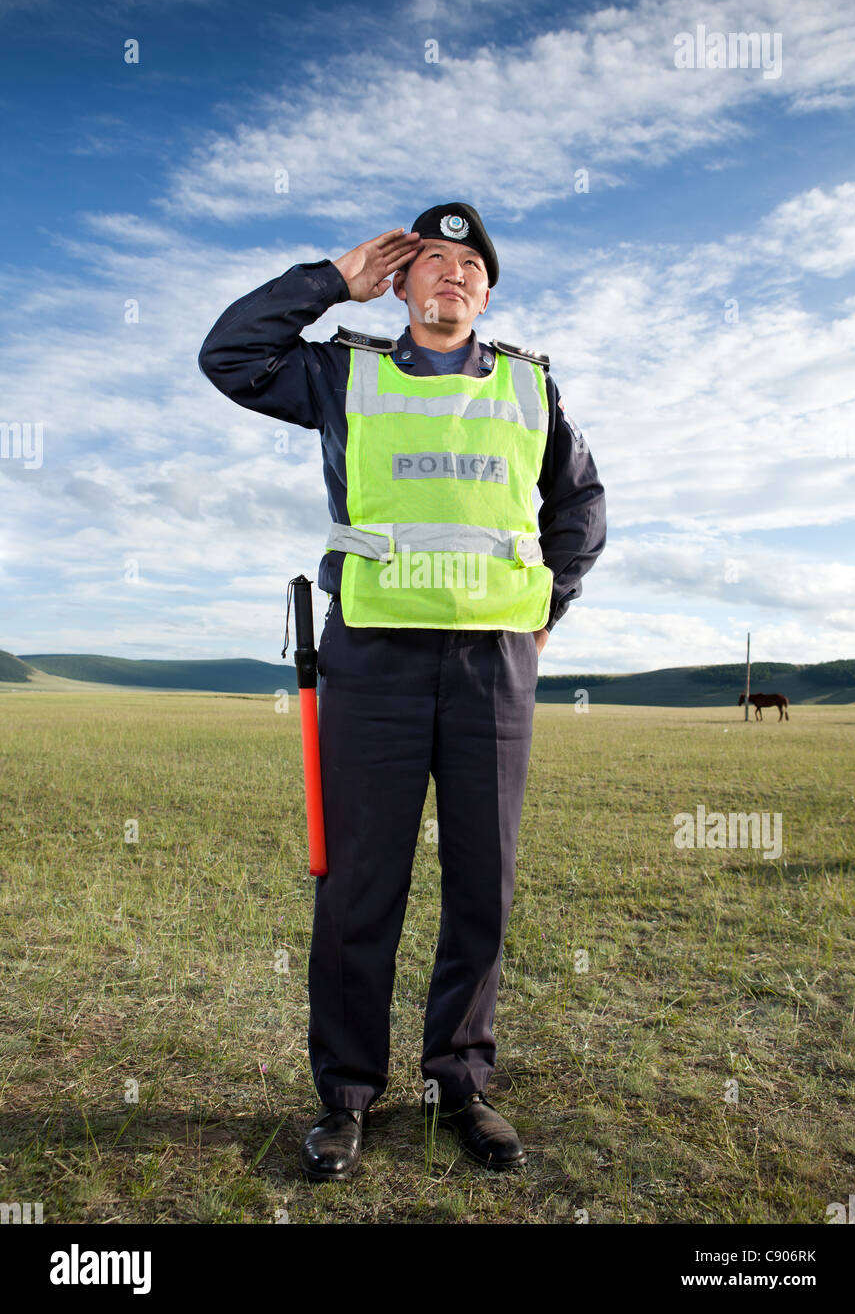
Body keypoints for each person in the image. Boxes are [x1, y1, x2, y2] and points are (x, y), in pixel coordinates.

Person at [198, 202, 606, 1180]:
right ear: (402, 280)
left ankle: (457, 1082)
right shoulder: (346, 373)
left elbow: (579, 504)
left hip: (491, 665)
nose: (450, 275)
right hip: (371, 658)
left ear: (488, 291)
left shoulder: (527, 386)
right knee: (358, 884)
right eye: (430, 259)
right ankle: (344, 1096)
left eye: (468, 264)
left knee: (481, 884)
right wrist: (328, 282)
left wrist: (547, 605)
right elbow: (230, 355)